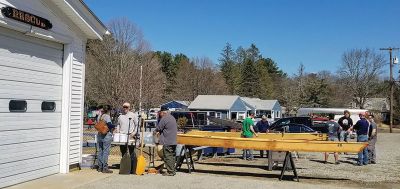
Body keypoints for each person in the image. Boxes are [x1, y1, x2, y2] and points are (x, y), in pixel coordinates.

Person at [154, 107, 177, 176]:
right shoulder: (172, 117)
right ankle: (172, 170)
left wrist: (154, 132)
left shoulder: (164, 118)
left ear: (163, 112)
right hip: (173, 140)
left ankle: (170, 172)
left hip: (167, 141)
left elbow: (159, 128)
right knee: (172, 156)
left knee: (168, 156)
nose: (160, 114)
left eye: (160, 113)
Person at [116, 102, 139, 171]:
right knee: (123, 151)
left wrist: (134, 133)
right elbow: (118, 125)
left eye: (126, 107)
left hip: (130, 135)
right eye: (124, 107)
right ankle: (125, 166)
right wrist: (118, 131)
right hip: (122, 136)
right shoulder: (120, 116)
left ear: (129, 108)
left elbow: (137, 125)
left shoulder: (133, 115)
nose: (125, 108)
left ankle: (132, 167)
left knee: (131, 151)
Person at [96, 105, 115, 173]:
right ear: (109, 110)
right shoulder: (107, 116)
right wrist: (115, 125)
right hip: (106, 136)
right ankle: (105, 168)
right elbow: (109, 125)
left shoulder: (99, 116)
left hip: (99, 135)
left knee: (100, 151)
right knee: (105, 151)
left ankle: (100, 167)